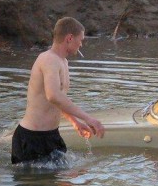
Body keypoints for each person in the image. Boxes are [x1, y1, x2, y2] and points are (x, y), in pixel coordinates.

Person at [11, 17, 105, 164]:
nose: (81, 44)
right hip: (31, 138)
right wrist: (88, 118)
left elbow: (58, 100)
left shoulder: (63, 62)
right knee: (36, 185)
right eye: (80, 40)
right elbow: (53, 96)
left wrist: (75, 122)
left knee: (61, 183)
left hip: (52, 136)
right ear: (69, 38)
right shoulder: (48, 60)